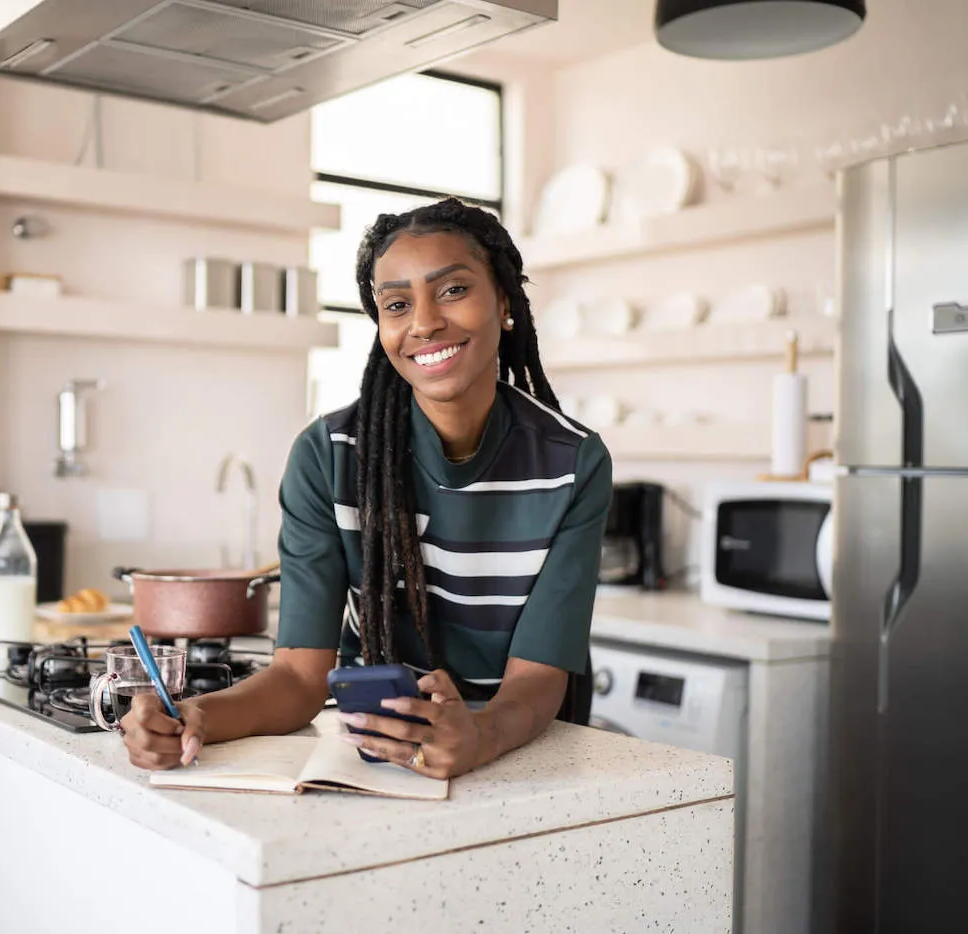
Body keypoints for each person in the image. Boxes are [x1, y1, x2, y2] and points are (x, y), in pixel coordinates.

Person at [122, 198, 612, 779]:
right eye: (397, 304)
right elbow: (300, 679)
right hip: (382, 762)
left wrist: (477, 737)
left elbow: (536, 681)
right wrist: (191, 716)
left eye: (453, 290)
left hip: (523, 756)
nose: (424, 322)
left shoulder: (573, 461)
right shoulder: (327, 458)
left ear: (504, 301)